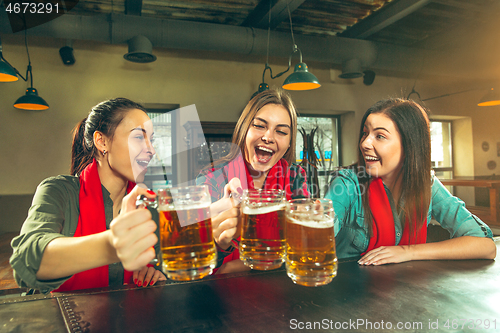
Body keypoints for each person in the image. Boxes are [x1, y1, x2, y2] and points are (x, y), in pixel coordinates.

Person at [10, 98, 166, 293]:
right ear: (101, 141)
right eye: (138, 137)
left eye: (152, 140)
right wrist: (111, 246)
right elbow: (28, 260)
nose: (151, 150)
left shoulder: (149, 202)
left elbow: (166, 264)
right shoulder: (58, 191)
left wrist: (155, 274)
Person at [325, 98, 496, 265]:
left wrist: (408, 252)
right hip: (351, 290)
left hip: (410, 289)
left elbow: (485, 246)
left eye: (380, 136)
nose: (365, 143)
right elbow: (318, 234)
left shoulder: (426, 184)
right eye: (365, 133)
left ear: (409, 146)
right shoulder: (347, 184)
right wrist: (316, 219)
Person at [196, 89, 309, 273]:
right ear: (244, 129)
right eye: (259, 126)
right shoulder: (211, 178)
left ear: (289, 142)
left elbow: (304, 247)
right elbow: (191, 263)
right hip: (219, 292)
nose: (268, 137)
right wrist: (216, 245)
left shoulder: (296, 176)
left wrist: (245, 265)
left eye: (281, 131)